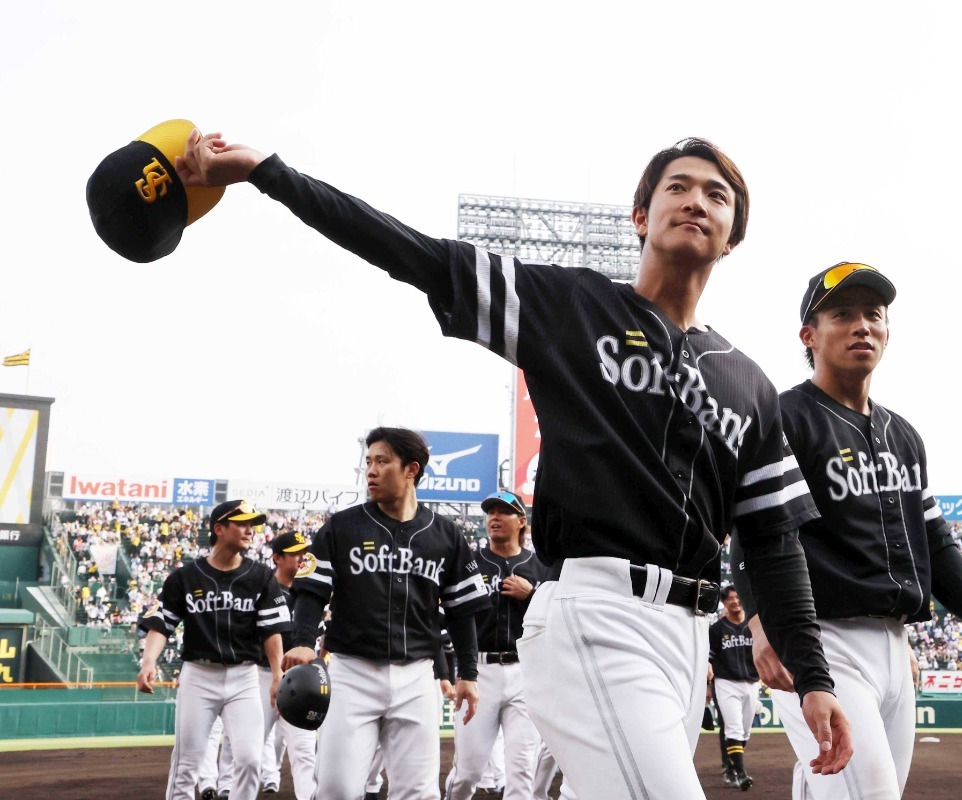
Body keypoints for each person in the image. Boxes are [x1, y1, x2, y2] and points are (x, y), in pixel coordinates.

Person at [175, 131, 852, 799]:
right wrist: (268, 172)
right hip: (597, 615)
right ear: (641, 216)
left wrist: (814, 676)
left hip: (687, 636)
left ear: (733, 236)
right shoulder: (572, 305)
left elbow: (774, 542)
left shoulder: (748, 384)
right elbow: (410, 252)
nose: (696, 200)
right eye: (678, 187)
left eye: (717, 194)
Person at [734, 262, 962, 800]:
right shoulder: (784, 418)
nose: (862, 325)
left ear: (888, 332)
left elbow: (931, 534)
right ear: (809, 335)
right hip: (819, 637)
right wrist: (760, 623)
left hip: (894, 641)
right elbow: (753, 531)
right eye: (843, 315)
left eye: (874, 314)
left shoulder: (903, 435)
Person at [281, 426, 490, 800]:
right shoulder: (342, 526)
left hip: (417, 676)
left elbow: (461, 611)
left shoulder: (446, 535)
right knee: (337, 790)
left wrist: (468, 674)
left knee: (418, 793)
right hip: (352, 672)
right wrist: (302, 641)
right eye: (368, 462)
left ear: (411, 469)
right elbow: (311, 591)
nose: (371, 471)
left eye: (382, 461)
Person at [137, 499, 289, 800]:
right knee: (186, 763)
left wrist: (277, 675)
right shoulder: (185, 577)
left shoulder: (260, 576)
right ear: (219, 529)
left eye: (251, 525)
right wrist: (148, 661)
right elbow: (161, 624)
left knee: (251, 760)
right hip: (199, 676)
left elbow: (272, 631)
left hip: (244, 677)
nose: (249, 530)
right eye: (242, 524)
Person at [444, 491, 547, 800]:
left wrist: (531, 596)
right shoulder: (469, 564)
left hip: (526, 672)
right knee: (468, 773)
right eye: (491, 512)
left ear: (521, 521)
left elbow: (555, 619)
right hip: (480, 672)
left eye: (503, 511)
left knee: (522, 770)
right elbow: (451, 615)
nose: (495, 517)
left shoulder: (539, 567)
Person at [258, 531, 319, 800]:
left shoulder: (309, 593)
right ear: (277, 558)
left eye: (304, 552)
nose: (302, 557)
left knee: (304, 749)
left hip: (301, 677)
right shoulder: (262, 590)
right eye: (295, 553)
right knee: (249, 748)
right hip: (262, 675)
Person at [708, 585, 759, 791]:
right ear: (724, 602)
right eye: (730, 599)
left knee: (744, 732)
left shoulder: (754, 626)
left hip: (752, 683)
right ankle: (739, 772)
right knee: (733, 728)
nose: (735, 601)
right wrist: (708, 686)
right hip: (726, 682)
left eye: (737, 597)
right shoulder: (716, 630)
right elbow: (709, 659)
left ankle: (732, 766)